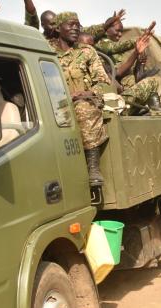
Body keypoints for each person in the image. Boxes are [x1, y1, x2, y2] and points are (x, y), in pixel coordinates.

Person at [51, 12, 113, 186]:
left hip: (85, 101)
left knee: (82, 109)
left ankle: (93, 167)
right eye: (70, 25)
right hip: (56, 103)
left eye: (77, 25)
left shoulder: (86, 52)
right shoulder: (47, 52)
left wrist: (87, 93)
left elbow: (103, 82)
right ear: (58, 28)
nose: (75, 28)